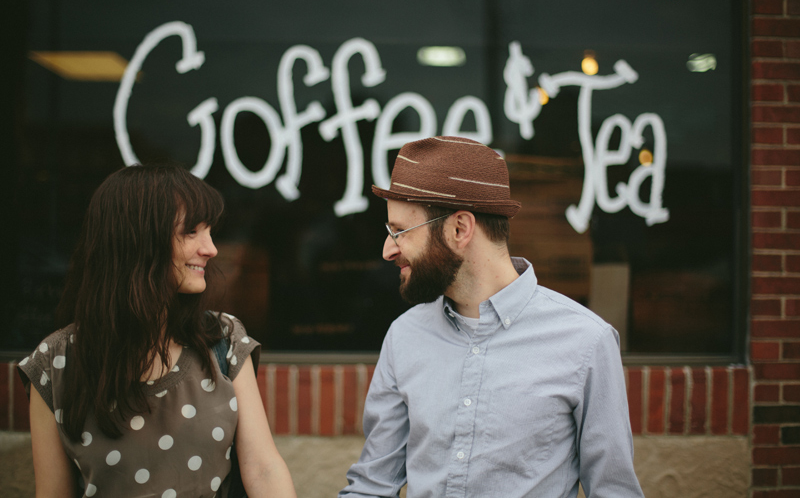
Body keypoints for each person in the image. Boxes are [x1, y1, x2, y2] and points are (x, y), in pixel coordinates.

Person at [340, 136, 644, 498]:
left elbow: (614, 492)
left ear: (459, 229)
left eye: (400, 231)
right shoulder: (404, 336)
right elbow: (371, 488)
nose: (388, 249)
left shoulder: (586, 342)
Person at [18, 164, 296, 498]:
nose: (211, 248)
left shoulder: (223, 339)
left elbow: (263, 469)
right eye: (191, 231)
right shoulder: (55, 364)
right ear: (137, 239)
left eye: (209, 231)